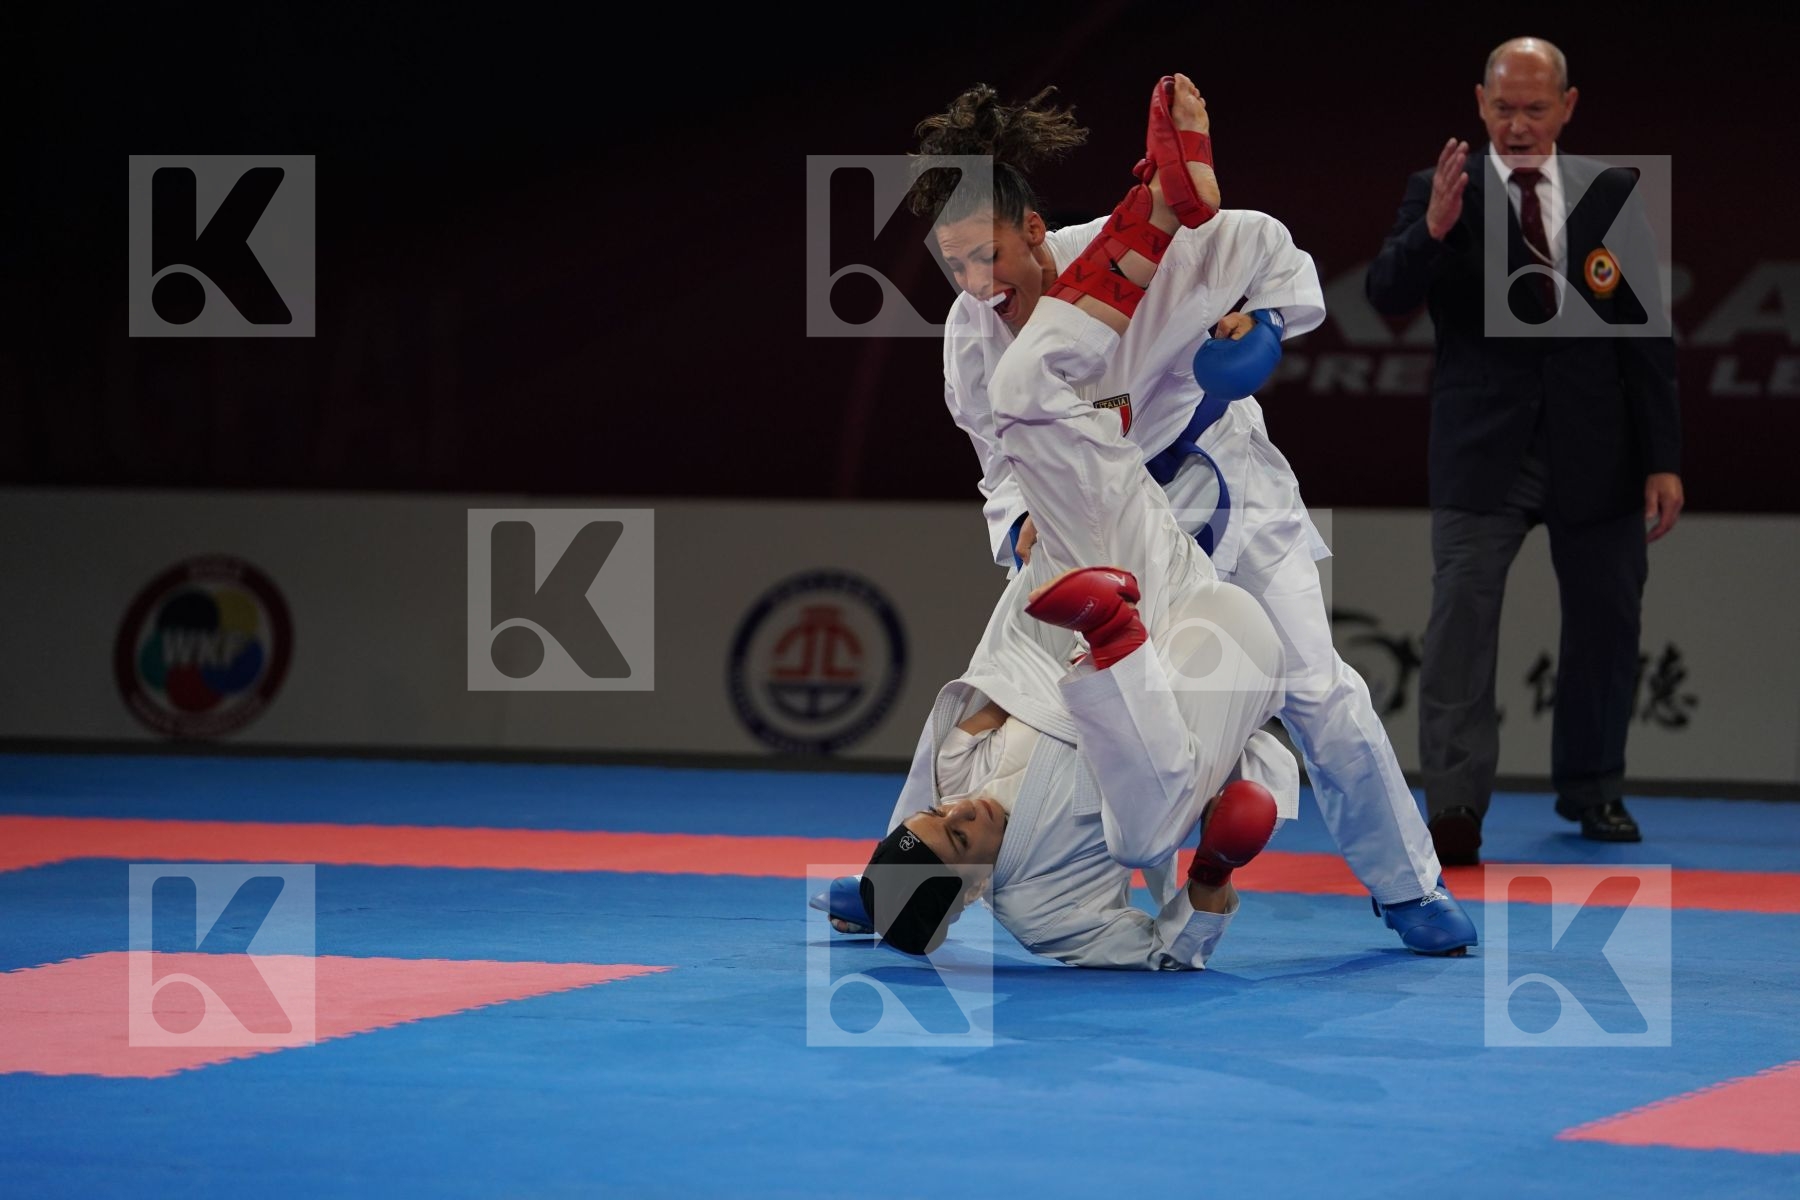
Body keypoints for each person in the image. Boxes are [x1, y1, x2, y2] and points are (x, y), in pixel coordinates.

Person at [910, 79, 1475, 952]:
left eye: (987, 257)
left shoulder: (1188, 252)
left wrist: (1265, 324)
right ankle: (904, 871)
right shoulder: (970, 333)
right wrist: (1018, 524)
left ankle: (1409, 889)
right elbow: (999, 465)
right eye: (954, 267)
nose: (977, 285)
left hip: (1226, 493)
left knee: (1318, 691)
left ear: (1032, 231)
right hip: (1103, 511)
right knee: (992, 687)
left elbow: (1275, 255)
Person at [842, 74, 1296, 969]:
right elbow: (1164, 957)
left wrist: (1038, 537)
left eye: (936, 820)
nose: (959, 813)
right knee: (1141, 832)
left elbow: (1001, 650)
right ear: (974, 890)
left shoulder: (953, 768)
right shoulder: (1048, 906)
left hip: (1138, 579)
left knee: (1027, 393)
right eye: (959, 840)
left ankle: (1159, 211)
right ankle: (1122, 657)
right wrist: (1208, 887)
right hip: (1215, 665)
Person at [1364, 37, 1680, 863]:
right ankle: (1457, 809)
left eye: (1535, 109)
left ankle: (1594, 787)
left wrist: (1663, 457)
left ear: (1567, 108)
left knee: (1606, 625)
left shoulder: (1610, 196)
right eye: (1503, 108)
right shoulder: (1440, 191)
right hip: (1481, 453)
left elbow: (1644, 334)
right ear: (1479, 102)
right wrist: (1431, 232)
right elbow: (1386, 296)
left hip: (1599, 450)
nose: (1517, 125)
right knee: (1460, 625)